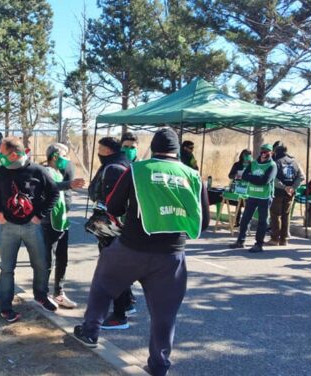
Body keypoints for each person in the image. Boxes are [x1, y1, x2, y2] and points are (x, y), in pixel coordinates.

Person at [73, 128, 210, 376]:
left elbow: (113, 205)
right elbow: (204, 221)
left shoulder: (137, 170)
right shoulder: (193, 175)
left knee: (103, 286)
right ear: (177, 150)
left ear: (153, 147)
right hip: (172, 256)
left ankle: (91, 331)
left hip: (131, 247)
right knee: (164, 315)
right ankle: (158, 366)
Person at [0, 136, 60, 322]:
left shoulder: (38, 170)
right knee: (6, 269)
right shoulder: (2, 171)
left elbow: (54, 192)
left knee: (41, 264)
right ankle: (5, 306)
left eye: (3, 153)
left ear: (14, 155)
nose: (0, 157)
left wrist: (40, 215)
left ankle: (41, 296)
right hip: (8, 228)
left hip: (32, 227)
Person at [87, 137, 135, 330]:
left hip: (111, 226)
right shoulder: (126, 164)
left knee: (114, 270)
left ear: (106, 151)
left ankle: (120, 314)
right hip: (121, 226)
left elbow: (112, 202)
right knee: (119, 267)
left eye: (99, 149)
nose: (98, 152)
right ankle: (128, 303)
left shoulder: (113, 168)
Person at [42, 143, 85, 309]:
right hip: (49, 222)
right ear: (55, 157)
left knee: (62, 259)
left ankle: (59, 293)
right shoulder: (45, 171)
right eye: (65, 155)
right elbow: (49, 187)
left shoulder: (61, 172)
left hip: (62, 220)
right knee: (47, 260)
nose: (67, 159)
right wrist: (69, 184)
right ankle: (43, 294)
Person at [229, 143, 277, 253]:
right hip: (252, 195)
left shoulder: (272, 165)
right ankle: (240, 241)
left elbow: (264, 181)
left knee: (262, 221)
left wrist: (253, 178)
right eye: (262, 151)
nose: (264, 153)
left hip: (265, 197)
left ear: (271, 153)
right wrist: (256, 178)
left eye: (267, 151)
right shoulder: (254, 163)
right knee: (245, 218)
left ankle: (259, 244)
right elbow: (244, 176)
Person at [266, 143, 304, 246]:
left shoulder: (275, 162)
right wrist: (292, 188)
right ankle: (284, 240)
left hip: (278, 192)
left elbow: (272, 178)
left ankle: (275, 239)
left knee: (275, 215)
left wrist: (284, 187)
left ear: (276, 151)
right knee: (286, 216)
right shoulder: (294, 161)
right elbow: (301, 177)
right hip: (290, 194)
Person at [227, 149, 253, 226]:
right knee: (238, 205)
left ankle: (247, 223)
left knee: (248, 206)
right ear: (242, 155)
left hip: (249, 187)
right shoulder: (237, 164)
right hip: (238, 186)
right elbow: (230, 175)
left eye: (248, 155)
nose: (246, 157)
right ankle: (237, 221)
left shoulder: (252, 165)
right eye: (245, 155)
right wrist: (236, 175)